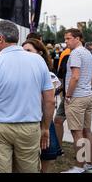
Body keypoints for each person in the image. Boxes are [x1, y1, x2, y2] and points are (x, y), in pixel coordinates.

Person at [0, 21, 55, 173]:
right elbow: (50, 100)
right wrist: (45, 127)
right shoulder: (38, 61)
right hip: (29, 127)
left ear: (0, 39)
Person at [22, 38, 61, 173]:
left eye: (28, 50)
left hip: (43, 119)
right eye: (23, 51)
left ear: (40, 53)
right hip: (24, 121)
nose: (25, 54)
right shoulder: (18, 73)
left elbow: (49, 100)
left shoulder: (48, 75)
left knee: (46, 155)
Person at [61, 29, 92, 173]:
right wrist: (87, 88)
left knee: (77, 133)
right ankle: (89, 164)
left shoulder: (75, 53)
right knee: (87, 130)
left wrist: (68, 95)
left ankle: (79, 167)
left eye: (68, 38)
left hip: (77, 97)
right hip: (87, 95)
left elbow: (75, 76)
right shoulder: (88, 53)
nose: (66, 42)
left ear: (77, 39)